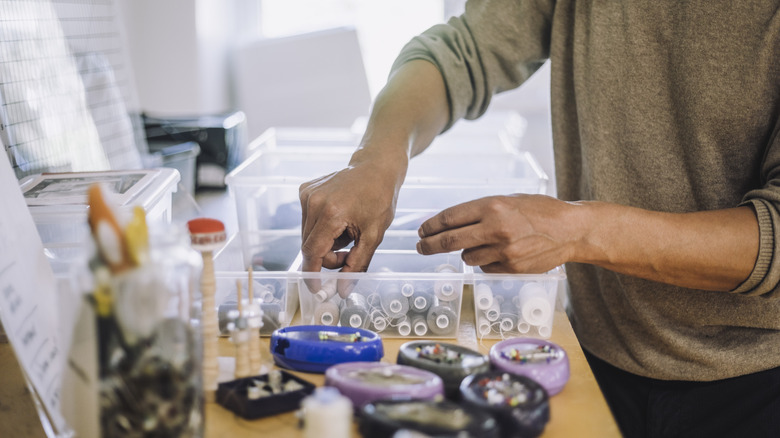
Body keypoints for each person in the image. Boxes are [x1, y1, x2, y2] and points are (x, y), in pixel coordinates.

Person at [299, 1, 780, 436]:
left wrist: (578, 230)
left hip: (754, 382)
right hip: (592, 353)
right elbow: (464, 52)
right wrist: (377, 159)